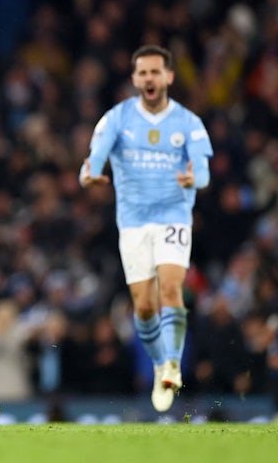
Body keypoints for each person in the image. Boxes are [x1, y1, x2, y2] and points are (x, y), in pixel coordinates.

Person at [79, 44, 213, 412]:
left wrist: (193, 178)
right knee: (143, 307)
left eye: (156, 71)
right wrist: (89, 175)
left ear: (168, 77)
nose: (149, 78)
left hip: (173, 216)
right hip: (133, 223)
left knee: (171, 287)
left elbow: (203, 171)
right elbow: (92, 160)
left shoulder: (188, 123)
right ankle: (159, 363)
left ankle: (172, 363)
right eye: (143, 72)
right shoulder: (116, 119)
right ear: (135, 79)